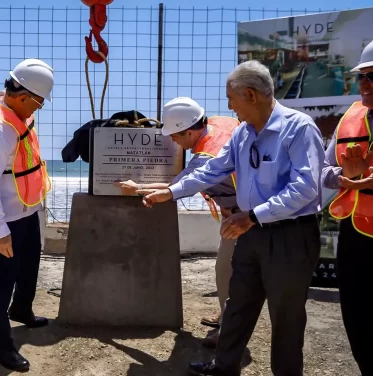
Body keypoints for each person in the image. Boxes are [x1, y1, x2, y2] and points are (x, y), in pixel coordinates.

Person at [137, 60, 325, 376]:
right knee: (238, 306)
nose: (228, 106)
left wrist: (253, 216)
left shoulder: (299, 128)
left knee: (286, 319)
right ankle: (224, 367)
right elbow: (213, 170)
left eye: (231, 99)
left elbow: (306, 188)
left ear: (250, 95)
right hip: (250, 232)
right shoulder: (242, 134)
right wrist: (171, 193)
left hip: (290, 237)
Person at [115, 96, 240, 348]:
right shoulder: (220, 123)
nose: (172, 140)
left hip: (242, 215)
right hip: (240, 208)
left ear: (191, 131)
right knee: (229, 270)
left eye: (176, 135)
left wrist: (137, 187)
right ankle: (228, 313)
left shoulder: (206, 157)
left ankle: (230, 330)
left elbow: (177, 187)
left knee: (227, 270)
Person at [0, 58, 53, 371]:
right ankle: (1, 346)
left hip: (26, 210)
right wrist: (0, 232)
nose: (40, 108)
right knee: (1, 281)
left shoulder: (18, 114)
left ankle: (22, 310)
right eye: (39, 101)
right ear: (22, 95)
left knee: (30, 264)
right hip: (5, 218)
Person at [321, 31, 373, 376]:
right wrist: (340, 176)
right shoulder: (351, 118)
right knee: (357, 322)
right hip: (354, 236)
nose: (363, 84)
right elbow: (322, 171)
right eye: (360, 76)